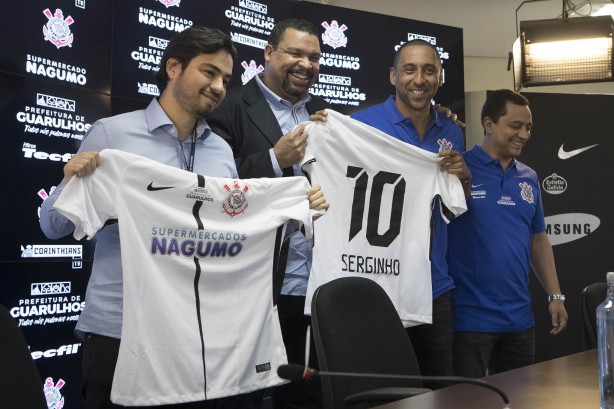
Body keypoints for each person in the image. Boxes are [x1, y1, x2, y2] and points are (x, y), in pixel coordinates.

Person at [39, 26, 328, 409]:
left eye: (225, 79)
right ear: (173, 67)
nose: (219, 87)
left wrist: (294, 209)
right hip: (121, 331)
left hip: (200, 336)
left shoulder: (222, 152)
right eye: (208, 72)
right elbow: (53, 227)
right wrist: (68, 183)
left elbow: (231, 231)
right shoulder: (112, 136)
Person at [207, 18, 329, 409]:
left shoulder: (326, 119)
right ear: (269, 53)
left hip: (310, 288)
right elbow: (210, 188)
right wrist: (274, 160)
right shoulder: (227, 105)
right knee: (245, 398)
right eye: (295, 53)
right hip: (254, 287)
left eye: (314, 56)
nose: (305, 64)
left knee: (306, 396)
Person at [335, 39, 470, 388]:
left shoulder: (451, 130)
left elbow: (454, 209)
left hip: (434, 285)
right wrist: (327, 131)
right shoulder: (358, 127)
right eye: (410, 69)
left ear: (440, 76)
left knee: (438, 392)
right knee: (380, 392)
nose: (419, 79)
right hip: (378, 283)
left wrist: (464, 178)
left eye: (429, 70)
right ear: (393, 75)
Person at [447, 89, 568, 378]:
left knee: (520, 401)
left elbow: (538, 238)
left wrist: (555, 295)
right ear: (489, 125)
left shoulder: (528, 177)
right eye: (515, 126)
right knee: (468, 402)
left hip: (519, 320)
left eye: (528, 127)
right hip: (469, 319)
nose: (524, 134)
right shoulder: (459, 168)